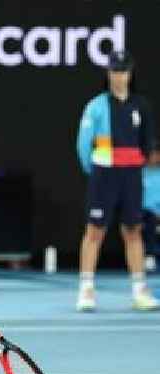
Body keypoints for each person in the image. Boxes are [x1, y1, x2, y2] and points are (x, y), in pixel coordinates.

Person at [76, 50, 158, 311]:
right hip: (104, 174)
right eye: (115, 71)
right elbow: (83, 145)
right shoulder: (97, 106)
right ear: (108, 73)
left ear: (130, 73)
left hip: (131, 175)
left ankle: (139, 290)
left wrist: (135, 166)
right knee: (94, 231)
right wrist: (98, 170)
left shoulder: (141, 106)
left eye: (123, 71)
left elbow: (147, 146)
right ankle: (86, 290)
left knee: (134, 231)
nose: (119, 76)